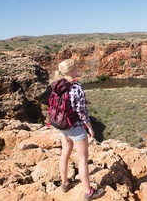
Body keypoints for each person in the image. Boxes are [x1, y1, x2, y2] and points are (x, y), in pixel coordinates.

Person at [51, 59, 105, 200]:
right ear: (71, 71)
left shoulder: (56, 85)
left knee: (64, 155)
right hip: (75, 128)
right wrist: (90, 128)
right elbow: (82, 112)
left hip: (62, 126)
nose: (77, 70)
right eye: (75, 68)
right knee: (83, 159)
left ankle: (65, 184)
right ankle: (88, 192)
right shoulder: (76, 87)